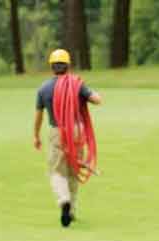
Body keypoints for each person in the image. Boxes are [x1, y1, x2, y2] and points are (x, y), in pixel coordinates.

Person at [33, 49, 102, 227]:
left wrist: (36, 136)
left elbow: (38, 116)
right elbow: (96, 100)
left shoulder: (44, 88)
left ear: (51, 67)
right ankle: (72, 210)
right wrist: (88, 93)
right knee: (73, 170)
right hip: (77, 131)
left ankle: (64, 200)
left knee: (57, 171)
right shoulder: (77, 85)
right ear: (68, 65)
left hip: (58, 131)